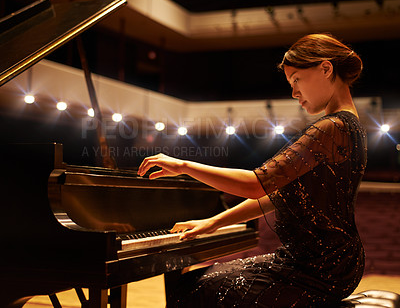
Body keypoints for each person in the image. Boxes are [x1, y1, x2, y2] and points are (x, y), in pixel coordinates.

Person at [138, 33, 367, 307]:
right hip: (328, 261)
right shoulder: (348, 125)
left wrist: (183, 165)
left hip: (318, 268)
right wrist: (212, 222)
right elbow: (275, 195)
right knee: (195, 281)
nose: (294, 92)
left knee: (194, 289)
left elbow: (257, 184)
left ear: (326, 69)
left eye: (296, 79)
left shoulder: (332, 128)